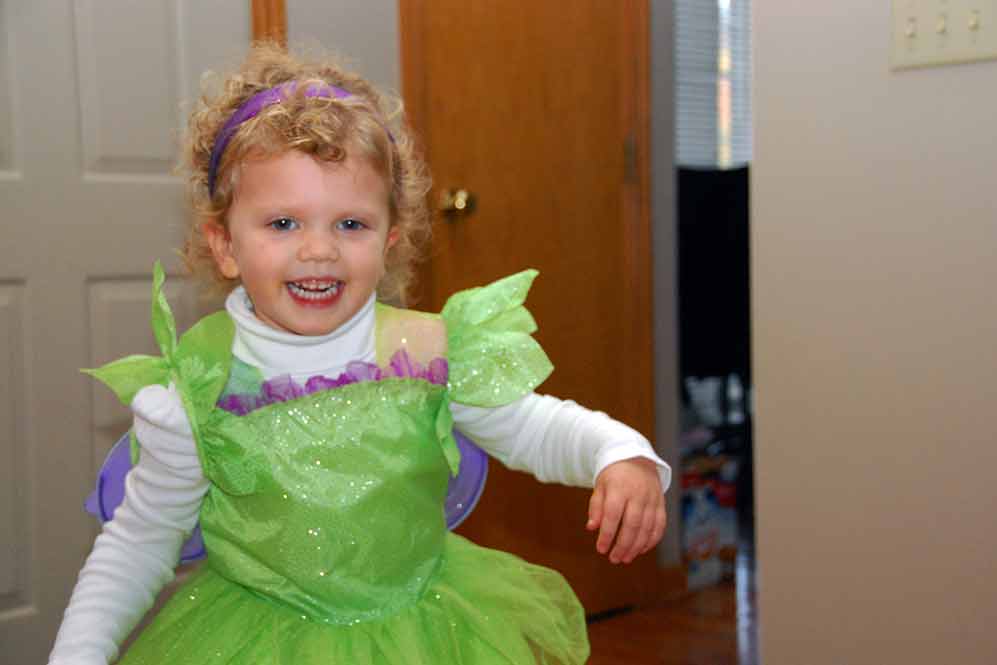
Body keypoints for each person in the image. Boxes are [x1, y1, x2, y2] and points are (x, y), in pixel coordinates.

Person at [48, 43, 670, 665]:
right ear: (225, 245)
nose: (319, 250)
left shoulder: (425, 355)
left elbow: (533, 427)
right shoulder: (196, 391)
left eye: (351, 224)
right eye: (283, 223)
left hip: (426, 637)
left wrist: (619, 452)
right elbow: (140, 540)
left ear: (389, 239)